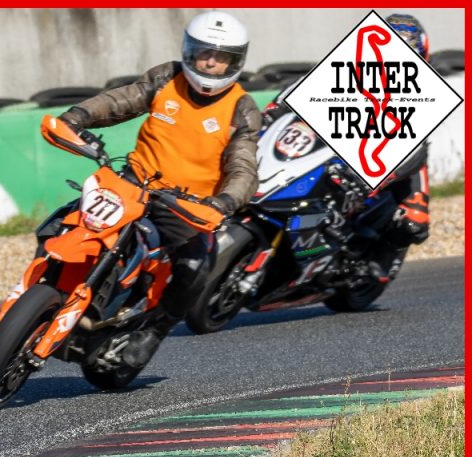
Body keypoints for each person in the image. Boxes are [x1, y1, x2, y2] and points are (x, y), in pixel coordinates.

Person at [54, 10, 261, 372]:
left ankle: (153, 331)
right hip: (134, 183)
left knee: (195, 266)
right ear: (189, 50)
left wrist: (226, 200)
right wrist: (78, 115)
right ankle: (47, 288)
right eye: (204, 53)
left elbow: (243, 165)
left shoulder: (242, 109)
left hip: (188, 206)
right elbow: (122, 100)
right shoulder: (167, 77)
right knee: (69, 219)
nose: (210, 62)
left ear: (235, 62)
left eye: (221, 57)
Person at [260, 13, 431, 280]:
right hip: (327, 150)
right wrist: (269, 117)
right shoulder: (341, 71)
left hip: (382, 165)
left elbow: (416, 152)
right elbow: (288, 98)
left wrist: (378, 177)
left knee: (413, 222)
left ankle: (377, 264)